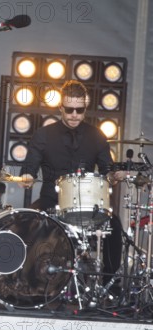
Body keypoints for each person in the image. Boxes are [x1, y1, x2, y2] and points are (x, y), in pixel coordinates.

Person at [17, 79, 124, 284]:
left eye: (80, 109)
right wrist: (27, 177)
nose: (74, 114)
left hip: (89, 206)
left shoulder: (97, 135)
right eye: (69, 109)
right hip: (51, 200)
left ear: (85, 108)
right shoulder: (43, 135)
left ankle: (110, 286)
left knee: (115, 226)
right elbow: (29, 168)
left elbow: (107, 171)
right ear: (60, 108)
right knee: (27, 222)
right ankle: (29, 282)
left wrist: (114, 177)